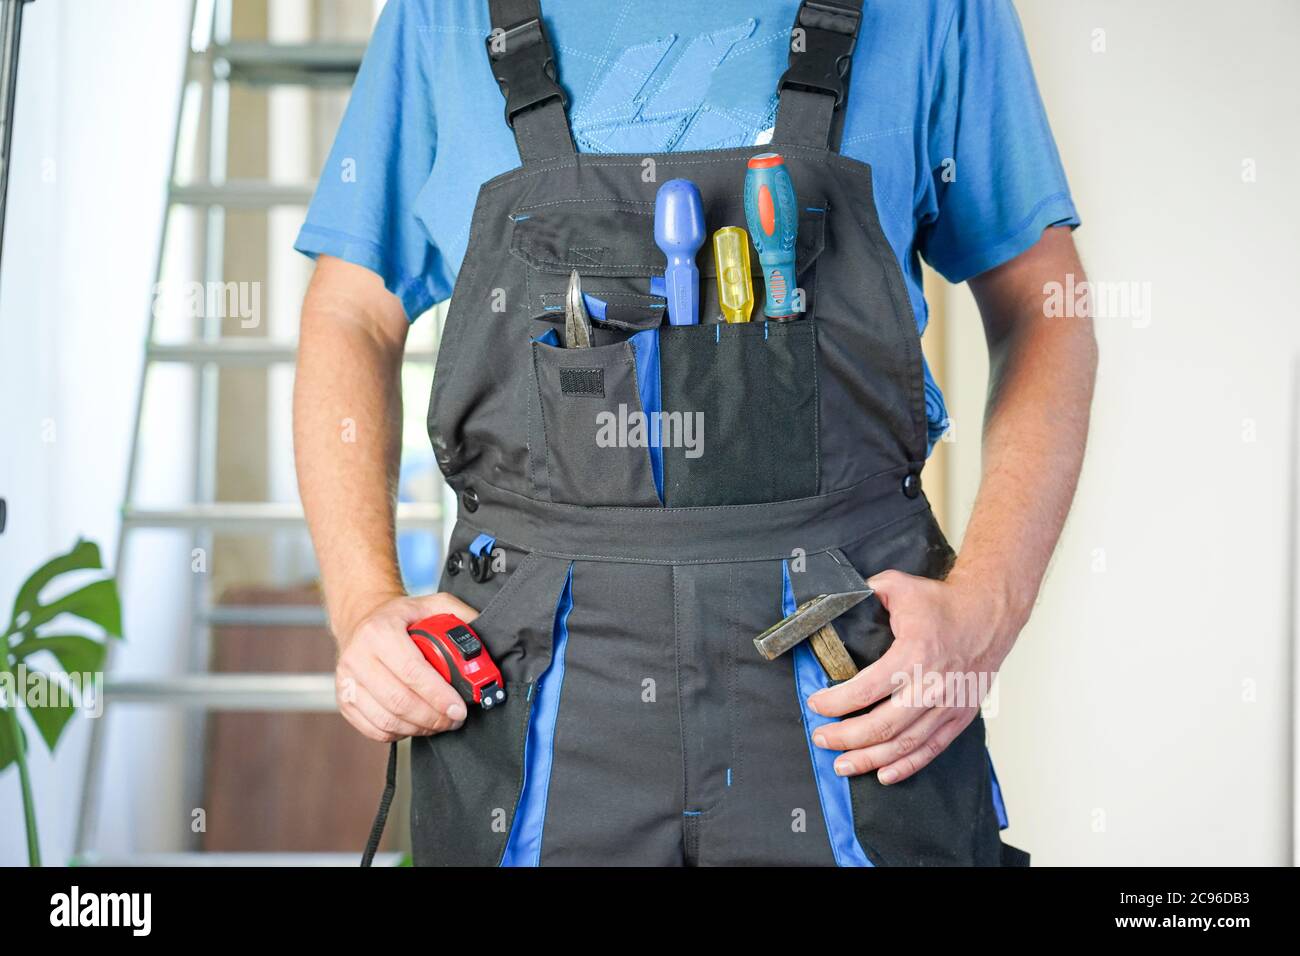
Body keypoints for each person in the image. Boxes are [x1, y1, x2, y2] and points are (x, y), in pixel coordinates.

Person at [293, 0, 1096, 866]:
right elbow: (351, 315)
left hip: (848, 683)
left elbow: (1048, 311)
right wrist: (363, 604)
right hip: (530, 693)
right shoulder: (440, 14)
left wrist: (987, 609)